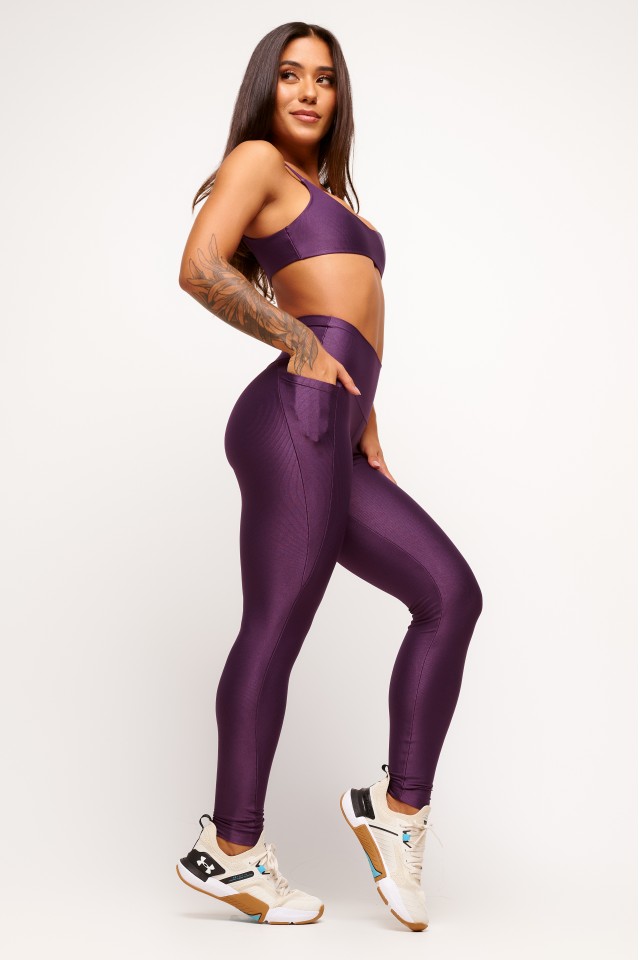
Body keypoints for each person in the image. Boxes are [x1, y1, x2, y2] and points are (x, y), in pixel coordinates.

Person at [174, 21, 483, 932]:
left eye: (324, 78)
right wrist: (302, 346)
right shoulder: (258, 161)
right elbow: (199, 267)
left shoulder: (326, 191)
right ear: (265, 89)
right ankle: (231, 848)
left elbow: (345, 308)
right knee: (276, 625)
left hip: (333, 423)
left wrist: (364, 412)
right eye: (290, 75)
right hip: (292, 416)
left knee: (450, 595)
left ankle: (396, 810)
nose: (308, 91)